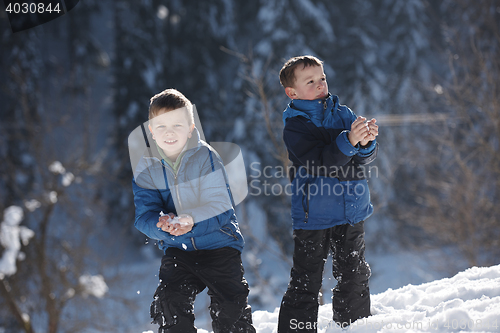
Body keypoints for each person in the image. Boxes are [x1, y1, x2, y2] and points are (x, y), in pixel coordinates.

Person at [131, 89, 255, 333]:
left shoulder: (206, 157)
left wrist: (193, 220)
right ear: (151, 131)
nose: (169, 132)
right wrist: (161, 225)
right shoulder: (146, 167)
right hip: (178, 248)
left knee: (231, 310)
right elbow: (144, 215)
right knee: (170, 302)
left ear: (190, 128)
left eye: (177, 125)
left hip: (220, 245)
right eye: (161, 125)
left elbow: (221, 208)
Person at [277, 55, 379, 332]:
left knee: (354, 274)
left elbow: (359, 159)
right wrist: (349, 140)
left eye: (321, 78)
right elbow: (319, 164)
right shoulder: (296, 126)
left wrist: (366, 143)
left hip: (351, 209)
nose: (320, 84)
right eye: (310, 81)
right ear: (292, 92)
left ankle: (353, 327)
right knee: (306, 280)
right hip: (315, 216)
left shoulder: (343, 113)